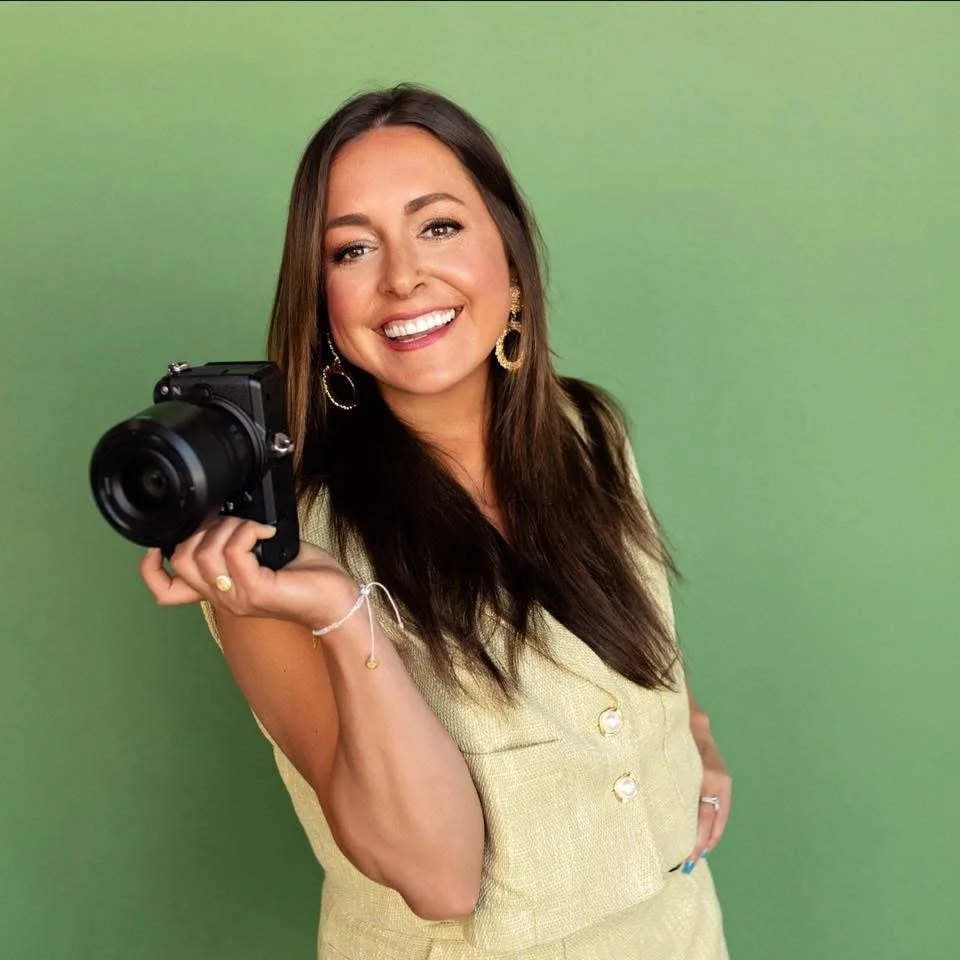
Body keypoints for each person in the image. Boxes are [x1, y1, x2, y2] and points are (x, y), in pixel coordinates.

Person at [139, 84, 732, 959]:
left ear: (513, 264)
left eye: (440, 227)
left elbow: (631, 638)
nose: (402, 277)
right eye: (352, 249)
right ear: (324, 307)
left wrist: (695, 741)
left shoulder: (587, 433)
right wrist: (342, 615)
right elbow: (439, 878)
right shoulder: (276, 554)